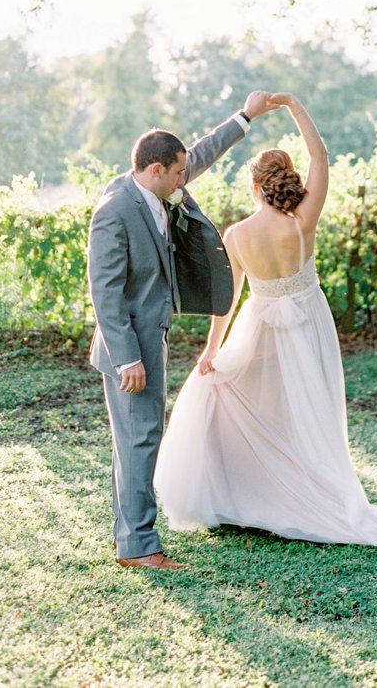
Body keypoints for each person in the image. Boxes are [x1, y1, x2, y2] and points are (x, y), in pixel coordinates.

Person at [154, 93, 377, 557]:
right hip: (308, 322)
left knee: (248, 401)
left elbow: (226, 301)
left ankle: (254, 492)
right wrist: (292, 105)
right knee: (310, 413)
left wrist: (211, 351)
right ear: (287, 180)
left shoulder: (236, 235)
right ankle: (300, 489)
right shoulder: (303, 221)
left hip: (257, 326)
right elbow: (320, 154)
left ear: (254, 187)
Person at [87, 91, 278, 571]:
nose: (183, 179)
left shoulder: (153, 185)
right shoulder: (115, 211)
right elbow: (104, 292)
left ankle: (128, 535)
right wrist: (128, 358)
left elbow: (203, 152)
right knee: (141, 437)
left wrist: (246, 116)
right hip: (130, 346)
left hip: (152, 335)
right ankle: (140, 547)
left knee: (134, 438)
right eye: (177, 173)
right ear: (155, 170)